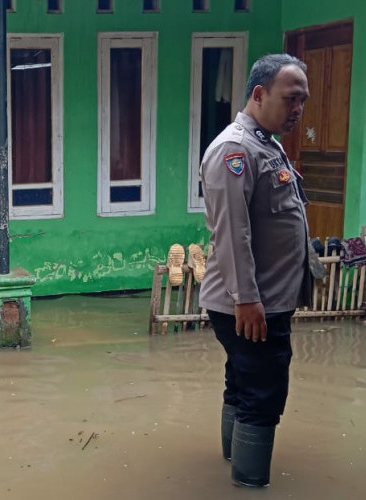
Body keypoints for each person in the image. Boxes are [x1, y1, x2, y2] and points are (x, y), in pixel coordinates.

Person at [199, 54, 312, 487]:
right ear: (259, 94)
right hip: (251, 302)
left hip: (262, 300)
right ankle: (249, 481)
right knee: (263, 393)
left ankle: (233, 459)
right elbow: (232, 233)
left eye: (302, 99)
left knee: (243, 380)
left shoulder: (266, 141)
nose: (298, 108)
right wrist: (246, 299)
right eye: (290, 98)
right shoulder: (236, 149)